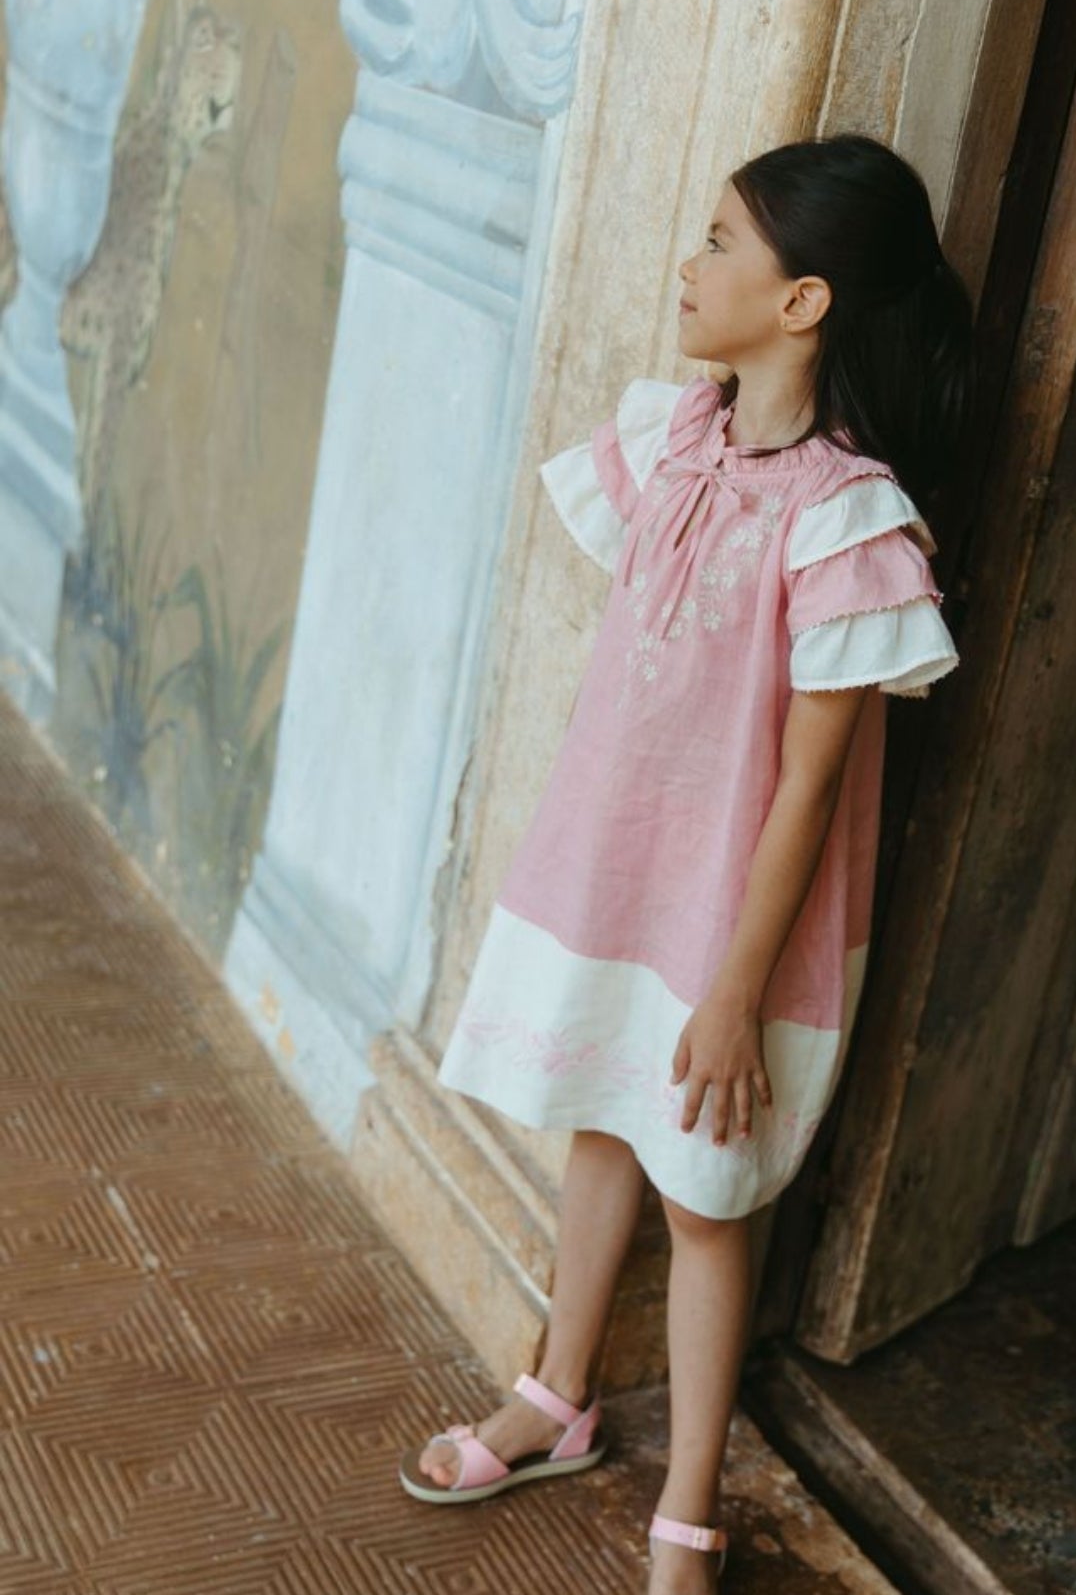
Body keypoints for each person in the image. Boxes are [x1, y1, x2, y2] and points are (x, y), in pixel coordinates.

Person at [399, 132, 973, 1594]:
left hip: (735, 931)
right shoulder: (669, 440)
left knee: (708, 1204)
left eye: (722, 242)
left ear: (802, 301)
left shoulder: (844, 516)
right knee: (600, 1126)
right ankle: (556, 1394)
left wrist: (732, 995)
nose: (690, 262)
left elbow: (807, 788)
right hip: (614, 886)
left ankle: (688, 1511)